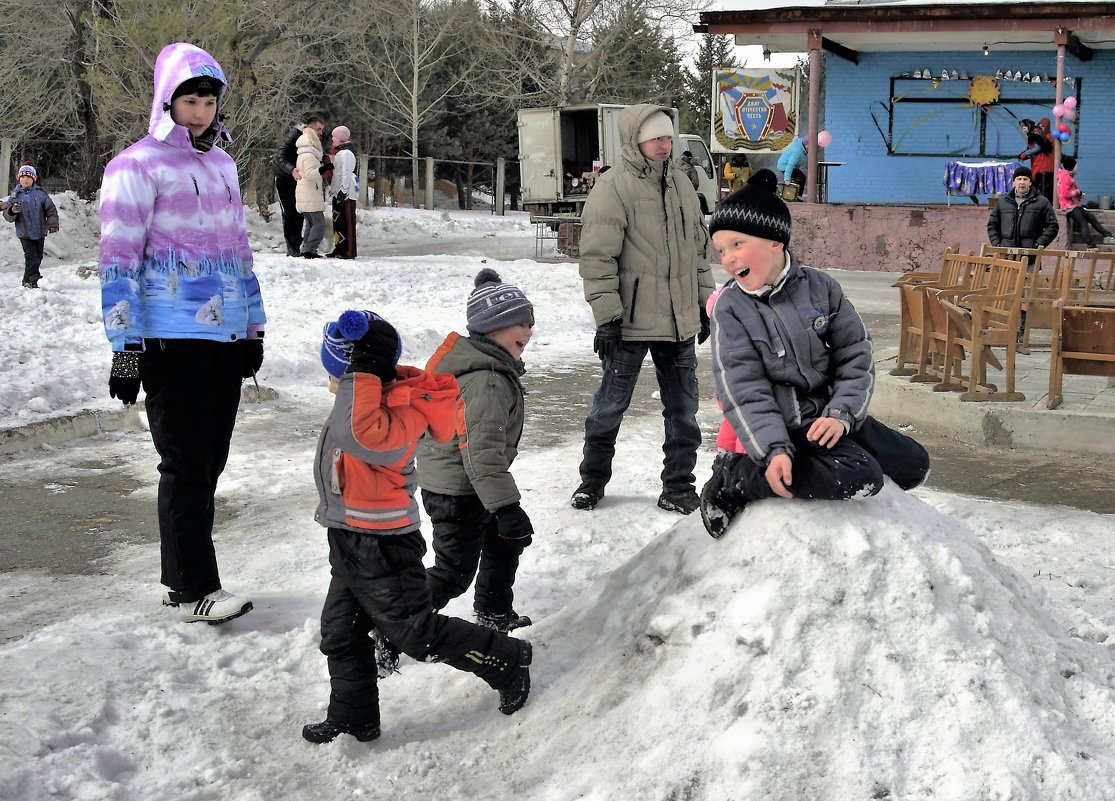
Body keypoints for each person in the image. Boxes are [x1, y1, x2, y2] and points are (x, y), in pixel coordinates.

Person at [303, 309, 532, 744]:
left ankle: (504, 657)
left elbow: (362, 439)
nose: (334, 383)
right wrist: (362, 378)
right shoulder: (367, 402)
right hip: (349, 538)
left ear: (361, 371)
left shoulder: (395, 408)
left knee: (415, 633)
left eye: (339, 374)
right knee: (340, 633)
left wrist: (360, 375)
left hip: (382, 542)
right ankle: (354, 716)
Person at [98, 42, 266, 623]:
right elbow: (118, 261)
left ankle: (191, 579)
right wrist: (126, 349)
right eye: (189, 101)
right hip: (169, 339)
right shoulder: (134, 166)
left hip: (222, 338)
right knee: (185, 464)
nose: (199, 112)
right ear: (166, 103)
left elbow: (240, 250)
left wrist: (253, 327)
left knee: (209, 463)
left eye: (208, 102)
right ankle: (193, 588)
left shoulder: (223, 165)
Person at [698, 169, 930, 538]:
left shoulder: (821, 287)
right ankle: (737, 478)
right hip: (787, 425)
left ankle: (832, 443)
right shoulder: (730, 308)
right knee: (862, 476)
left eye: (737, 244)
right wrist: (773, 450)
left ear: (776, 241)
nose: (727, 258)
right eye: (721, 250)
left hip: (830, 415)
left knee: (914, 464)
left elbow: (855, 354)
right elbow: (742, 389)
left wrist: (841, 414)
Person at [571, 104, 714, 515]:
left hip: (678, 322)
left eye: (669, 138)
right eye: (656, 139)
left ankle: (678, 487)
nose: (664, 146)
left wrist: (704, 304)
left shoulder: (684, 185)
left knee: (684, 411)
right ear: (636, 140)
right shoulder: (613, 186)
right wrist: (607, 316)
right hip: (629, 323)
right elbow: (597, 258)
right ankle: (592, 481)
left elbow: (699, 253)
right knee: (610, 407)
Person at [419, 269, 536, 634]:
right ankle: (390, 622)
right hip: (459, 491)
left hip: (471, 485)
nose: (529, 331)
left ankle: (493, 611)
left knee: (504, 541)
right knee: (452, 572)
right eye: (521, 324)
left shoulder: (489, 368)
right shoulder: (486, 381)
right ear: (492, 329)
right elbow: (482, 452)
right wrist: (506, 507)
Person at [1, 163, 59, 289]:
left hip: (39, 231)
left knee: (38, 257)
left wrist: (53, 224)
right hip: (25, 232)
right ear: (19, 179)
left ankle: (29, 278)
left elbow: (51, 210)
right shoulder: (15, 195)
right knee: (31, 257)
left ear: (33, 179)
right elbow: (7, 214)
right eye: (22, 177)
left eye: (28, 177)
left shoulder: (41, 194)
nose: (25, 179)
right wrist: (12, 211)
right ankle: (31, 279)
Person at [274, 115, 324, 256]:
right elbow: (280, 156)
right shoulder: (295, 134)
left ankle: (298, 245)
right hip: (284, 177)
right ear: (310, 126)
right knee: (290, 212)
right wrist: (291, 169)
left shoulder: (312, 140)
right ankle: (292, 246)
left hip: (300, 179)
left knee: (300, 211)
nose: (320, 133)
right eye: (318, 129)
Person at [986, 165, 1059, 249]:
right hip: (1005, 254)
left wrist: (1037, 244)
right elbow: (992, 225)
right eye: (1019, 179)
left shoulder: (1042, 202)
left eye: (1025, 179)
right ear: (1014, 182)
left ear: (1030, 182)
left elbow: (1052, 226)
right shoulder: (1002, 202)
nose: (1022, 182)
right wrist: (997, 244)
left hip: (1030, 255)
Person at [1057, 155, 1115, 248]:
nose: (1077, 168)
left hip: (1074, 205)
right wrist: (1078, 192)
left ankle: (1107, 235)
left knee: (1091, 217)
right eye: (1076, 166)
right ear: (1072, 167)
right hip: (1068, 207)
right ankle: (1090, 245)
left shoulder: (1069, 176)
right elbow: (1065, 194)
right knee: (1083, 222)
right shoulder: (1065, 177)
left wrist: (1080, 195)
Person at [326, 125, 358, 259]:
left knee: (346, 222)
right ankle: (339, 247)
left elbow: (346, 173)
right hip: (337, 191)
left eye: (334, 136)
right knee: (337, 221)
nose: (332, 139)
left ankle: (348, 250)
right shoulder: (339, 152)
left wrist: (343, 191)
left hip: (345, 193)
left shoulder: (347, 153)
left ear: (340, 138)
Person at [295, 123, 326, 258]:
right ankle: (309, 249)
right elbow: (310, 173)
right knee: (319, 224)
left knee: (311, 223)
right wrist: (325, 168)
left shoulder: (303, 153)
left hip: (306, 193)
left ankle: (307, 248)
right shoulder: (309, 155)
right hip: (310, 193)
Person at [1018, 118, 1055, 203]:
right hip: (1040, 166)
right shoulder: (1042, 135)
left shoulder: (1042, 136)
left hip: (1043, 167)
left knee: (1043, 192)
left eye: (1043, 126)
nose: (1040, 128)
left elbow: (1038, 148)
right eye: (1040, 125)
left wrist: (1025, 154)